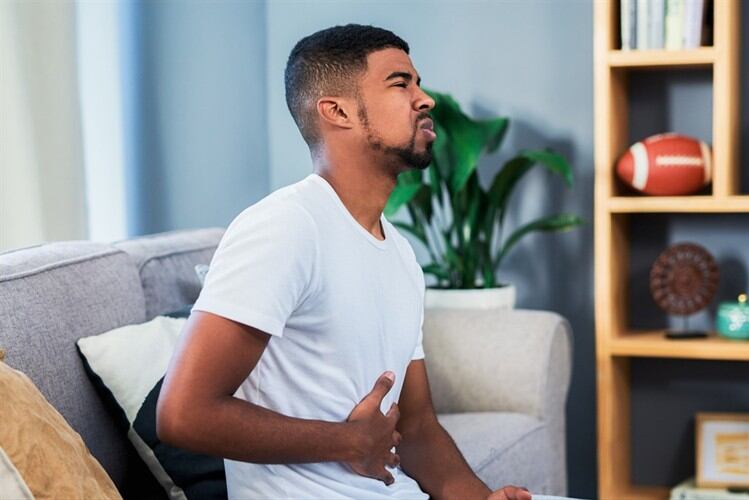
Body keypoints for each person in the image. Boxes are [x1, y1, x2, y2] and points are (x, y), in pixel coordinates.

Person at [156, 24, 533, 500]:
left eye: (417, 82)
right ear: (337, 112)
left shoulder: (398, 253)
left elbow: (416, 426)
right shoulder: (286, 227)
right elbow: (183, 414)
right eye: (401, 83)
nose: (425, 99)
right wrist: (349, 441)